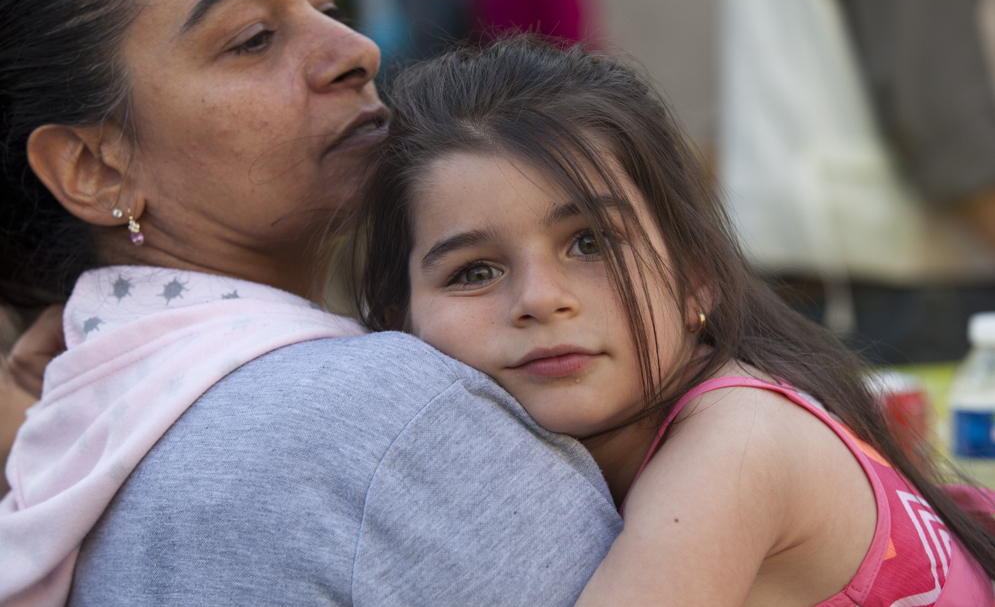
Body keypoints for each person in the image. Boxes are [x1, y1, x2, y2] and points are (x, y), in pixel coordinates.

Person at [0, 0, 621, 605]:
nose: (358, 50)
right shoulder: (376, 415)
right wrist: (733, 428)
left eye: (325, 6)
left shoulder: (67, 447)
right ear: (95, 169)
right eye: (253, 39)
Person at [353, 37, 995, 604]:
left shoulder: (739, 446)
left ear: (696, 276)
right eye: (474, 271)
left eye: (591, 243)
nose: (541, 299)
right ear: (397, 327)